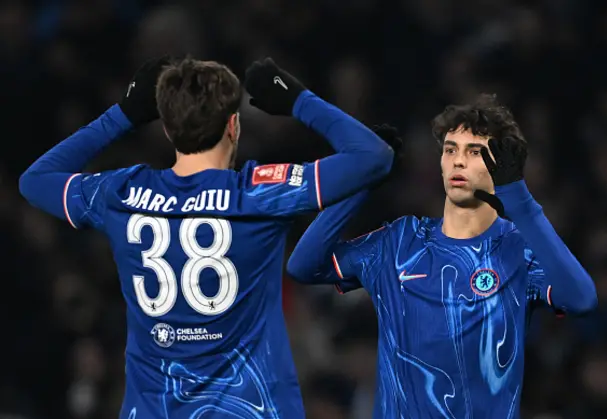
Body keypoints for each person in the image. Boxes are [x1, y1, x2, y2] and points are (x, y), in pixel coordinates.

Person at [19, 56, 394, 418]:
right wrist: (297, 99)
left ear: (167, 130)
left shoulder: (123, 194)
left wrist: (123, 115)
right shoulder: (259, 193)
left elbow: (34, 181)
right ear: (234, 126)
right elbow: (373, 155)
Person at [287, 93, 597, 418]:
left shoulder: (518, 248)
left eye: (474, 151)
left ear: (501, 165)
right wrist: (361, 179)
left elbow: (581, 299)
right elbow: (304, 265)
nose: (458, 161)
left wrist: (518, 201)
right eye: (450, 150)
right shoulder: (399, 241)